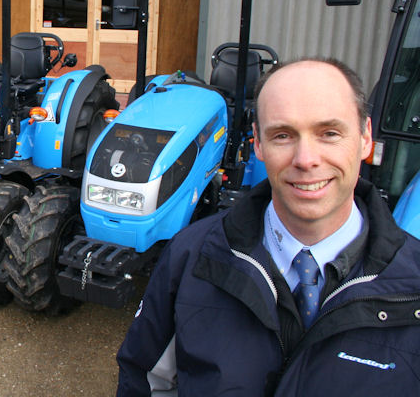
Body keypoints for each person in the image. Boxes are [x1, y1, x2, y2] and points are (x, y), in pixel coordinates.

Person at [116, 58, 420, 396]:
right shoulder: (190, 258)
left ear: (365, 137)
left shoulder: (413, 283)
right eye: (283, 135)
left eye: (329, 133)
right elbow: (145, 381)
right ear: (258, 144)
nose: (306, 159)